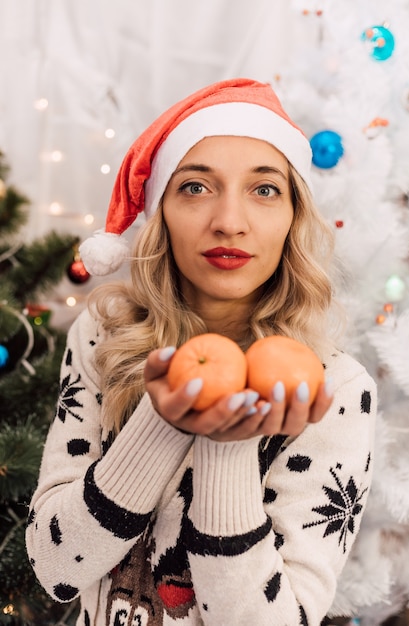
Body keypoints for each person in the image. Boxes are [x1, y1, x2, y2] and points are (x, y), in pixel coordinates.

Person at [26, 78, 376, 626]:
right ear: (160, 209)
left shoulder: (336, 391)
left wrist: (229, 446)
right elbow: (55, 568)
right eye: (195, 187)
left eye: (264, 190)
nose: (229, 221)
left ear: (292, 217)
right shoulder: (103, 336)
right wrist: (161, 422)